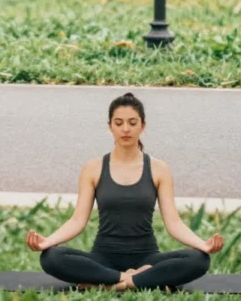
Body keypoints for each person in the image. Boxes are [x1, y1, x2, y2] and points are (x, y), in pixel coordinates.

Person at [26, 93, 224, 292]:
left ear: (142, 126)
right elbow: (77, 220)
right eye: (118, 123)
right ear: (110, 126)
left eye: (132, 122)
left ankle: (109, 284)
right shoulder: (93, 168)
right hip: (102, 258)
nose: (126, 129)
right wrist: (48, 241)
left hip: (147, 257)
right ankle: (134, 279)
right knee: (51, 257)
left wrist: (202, 244)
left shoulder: (159, 169)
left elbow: (174, 223)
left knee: (199, 260)